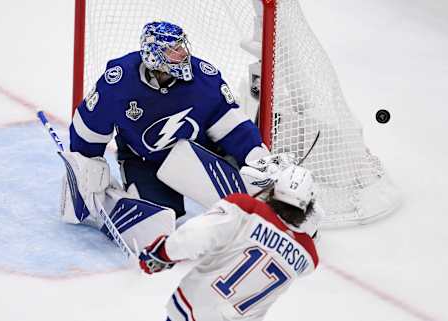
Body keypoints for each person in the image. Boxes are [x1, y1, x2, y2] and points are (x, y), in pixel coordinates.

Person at [67, 20, 269, 223]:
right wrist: (86, 166)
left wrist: (257, 156)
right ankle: (118, 200)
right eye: (173, 50)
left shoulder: (204, 78)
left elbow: (233, 128)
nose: (182, 54)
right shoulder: (118, 82)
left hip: (199, 153)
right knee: (157, 219)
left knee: (247, 189)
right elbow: (88, 127)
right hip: (146, 161)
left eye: (181, 46)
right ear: (153, 55)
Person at [139, 165, 322, 321]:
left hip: (195, 311)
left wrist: (162, 252)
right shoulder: (308, 256)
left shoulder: (245, 209)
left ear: (273, 191)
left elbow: (198, 234)